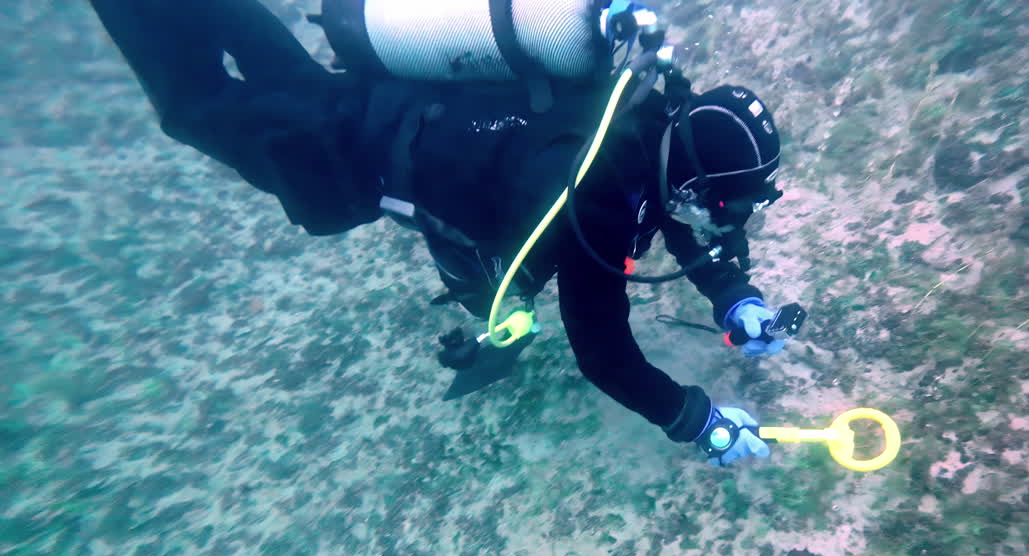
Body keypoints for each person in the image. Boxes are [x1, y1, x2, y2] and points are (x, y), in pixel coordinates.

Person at [88, 0, 792, 466]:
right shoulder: (596, 201)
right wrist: (696, 421)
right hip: (344, 152)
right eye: (728, 207)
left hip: (376, 98)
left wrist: (735, 296)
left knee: (277, 68)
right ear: (695, 178)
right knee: (194, 104)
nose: (729, 224)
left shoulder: (650, 111)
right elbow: (604, 357)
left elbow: (684, 217)